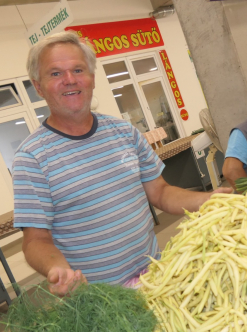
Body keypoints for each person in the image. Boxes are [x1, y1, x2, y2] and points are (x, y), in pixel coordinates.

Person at [13, 31, 231, 296]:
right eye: (55, 73)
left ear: (92, 78)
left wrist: (207, 200)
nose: (70, 80)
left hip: (156, 276)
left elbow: (160, 192)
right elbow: (35, 240)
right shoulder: (32, 157)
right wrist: (57, 268)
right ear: (38, 86)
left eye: (78, 69)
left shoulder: (123, 132)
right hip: (100, 300)